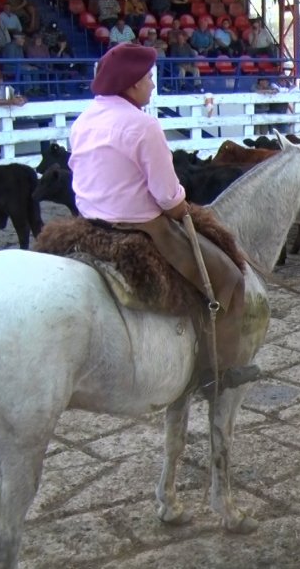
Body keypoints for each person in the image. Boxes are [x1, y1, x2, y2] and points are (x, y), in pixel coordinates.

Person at [68, 43, 259, 389]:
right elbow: (168, 199)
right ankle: (218, 371)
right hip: (142, 226)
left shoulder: (83, 120)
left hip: (88, 222)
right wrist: (184, 208)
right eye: (149, 79)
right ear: (131, 84)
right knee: (230, 280)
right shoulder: (143, 126)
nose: (152, 85)